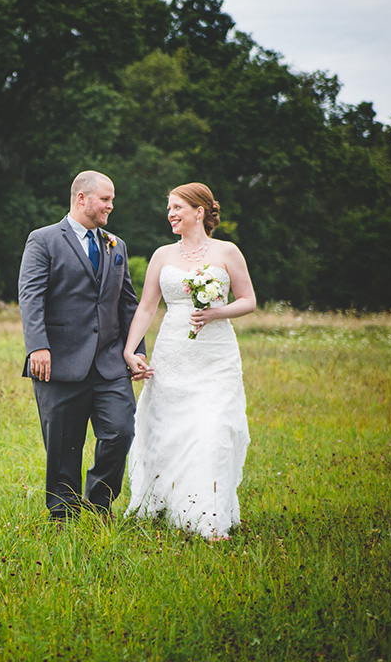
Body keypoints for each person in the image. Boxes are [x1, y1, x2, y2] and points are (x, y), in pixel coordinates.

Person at [123, 182, 255, 540]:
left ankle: (208, 519)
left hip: (216, 357)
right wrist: (130, 349)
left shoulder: (228, 252)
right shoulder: (162, 255)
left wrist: (217, 312)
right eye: (168, 208)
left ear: (199, 212)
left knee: (212, 431)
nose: (171, 214)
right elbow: (147, 306)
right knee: (170, 430)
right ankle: (167, 503)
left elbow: (248, 300)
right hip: (173, 352)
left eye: (177, 207)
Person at [18, 170, 145, 521]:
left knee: (121, 432)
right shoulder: (42, 240)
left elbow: (128, 304)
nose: (111, 205)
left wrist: (136, 351)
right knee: (62, 446)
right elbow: (31, 297)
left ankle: (98, 501)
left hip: (109, 362)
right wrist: (37, 346)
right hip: (57, 360)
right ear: (82, 198)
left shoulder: (116, 245)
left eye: (112, 199)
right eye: (105, 199)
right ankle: (63, 513)